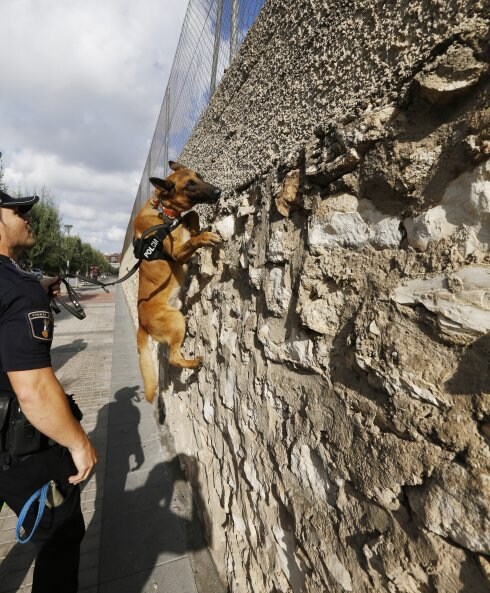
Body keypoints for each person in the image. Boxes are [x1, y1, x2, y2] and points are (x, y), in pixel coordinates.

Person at [0, 189, 97, 592]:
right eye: (18, 210)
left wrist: (33, 284)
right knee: (60, 535)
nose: (27, 217)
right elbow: (34, 389)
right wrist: (78, 444)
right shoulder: (19, 290)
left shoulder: (20, 287)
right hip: (20, 449)